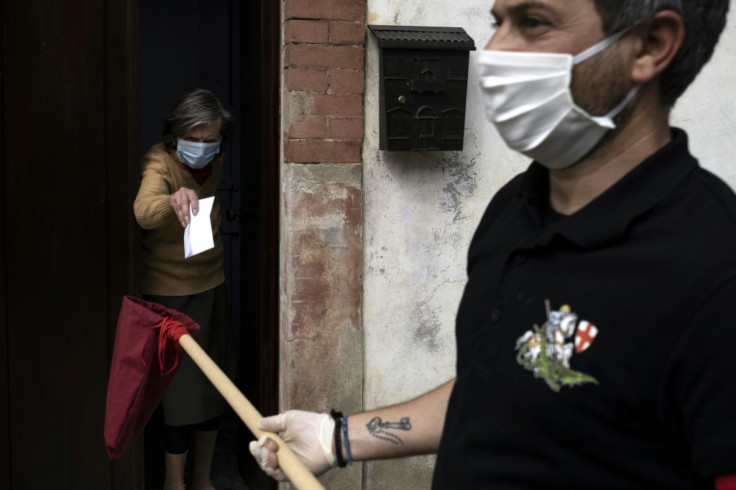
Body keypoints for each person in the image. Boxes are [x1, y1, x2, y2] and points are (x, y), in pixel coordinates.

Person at [249, 0, 736, 488]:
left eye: (533, 23)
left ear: (650, 46)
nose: (495, 49)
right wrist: (336, 437)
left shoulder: (714, 266)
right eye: (498, 22)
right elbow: (502, 384)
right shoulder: (514, 207)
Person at [134, 88, 237, 490]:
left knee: (213, 388)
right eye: (192, 139)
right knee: (180, 396)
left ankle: (203, 480)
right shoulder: (159, 162)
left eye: (209, 140)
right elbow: (144, 212)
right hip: (170, 293)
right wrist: (173, 198)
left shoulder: (217, 161)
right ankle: (174, 484)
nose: (201, 148)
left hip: (212, 284)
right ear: (176, 133)